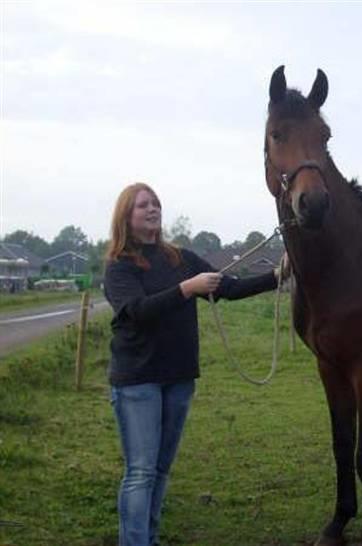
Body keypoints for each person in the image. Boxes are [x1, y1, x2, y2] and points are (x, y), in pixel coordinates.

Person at [103, 182, 286, 546]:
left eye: (155, 203)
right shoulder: (118, 267)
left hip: (179, 377)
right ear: (126, 215)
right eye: (142, 206)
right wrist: (188, 289)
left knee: (160, 469)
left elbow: (228, 288)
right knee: (140, 472)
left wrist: (276, 277)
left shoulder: (179, 258)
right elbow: (137, 312)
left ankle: (148, 538)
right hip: (138, 381)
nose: (152, 209)